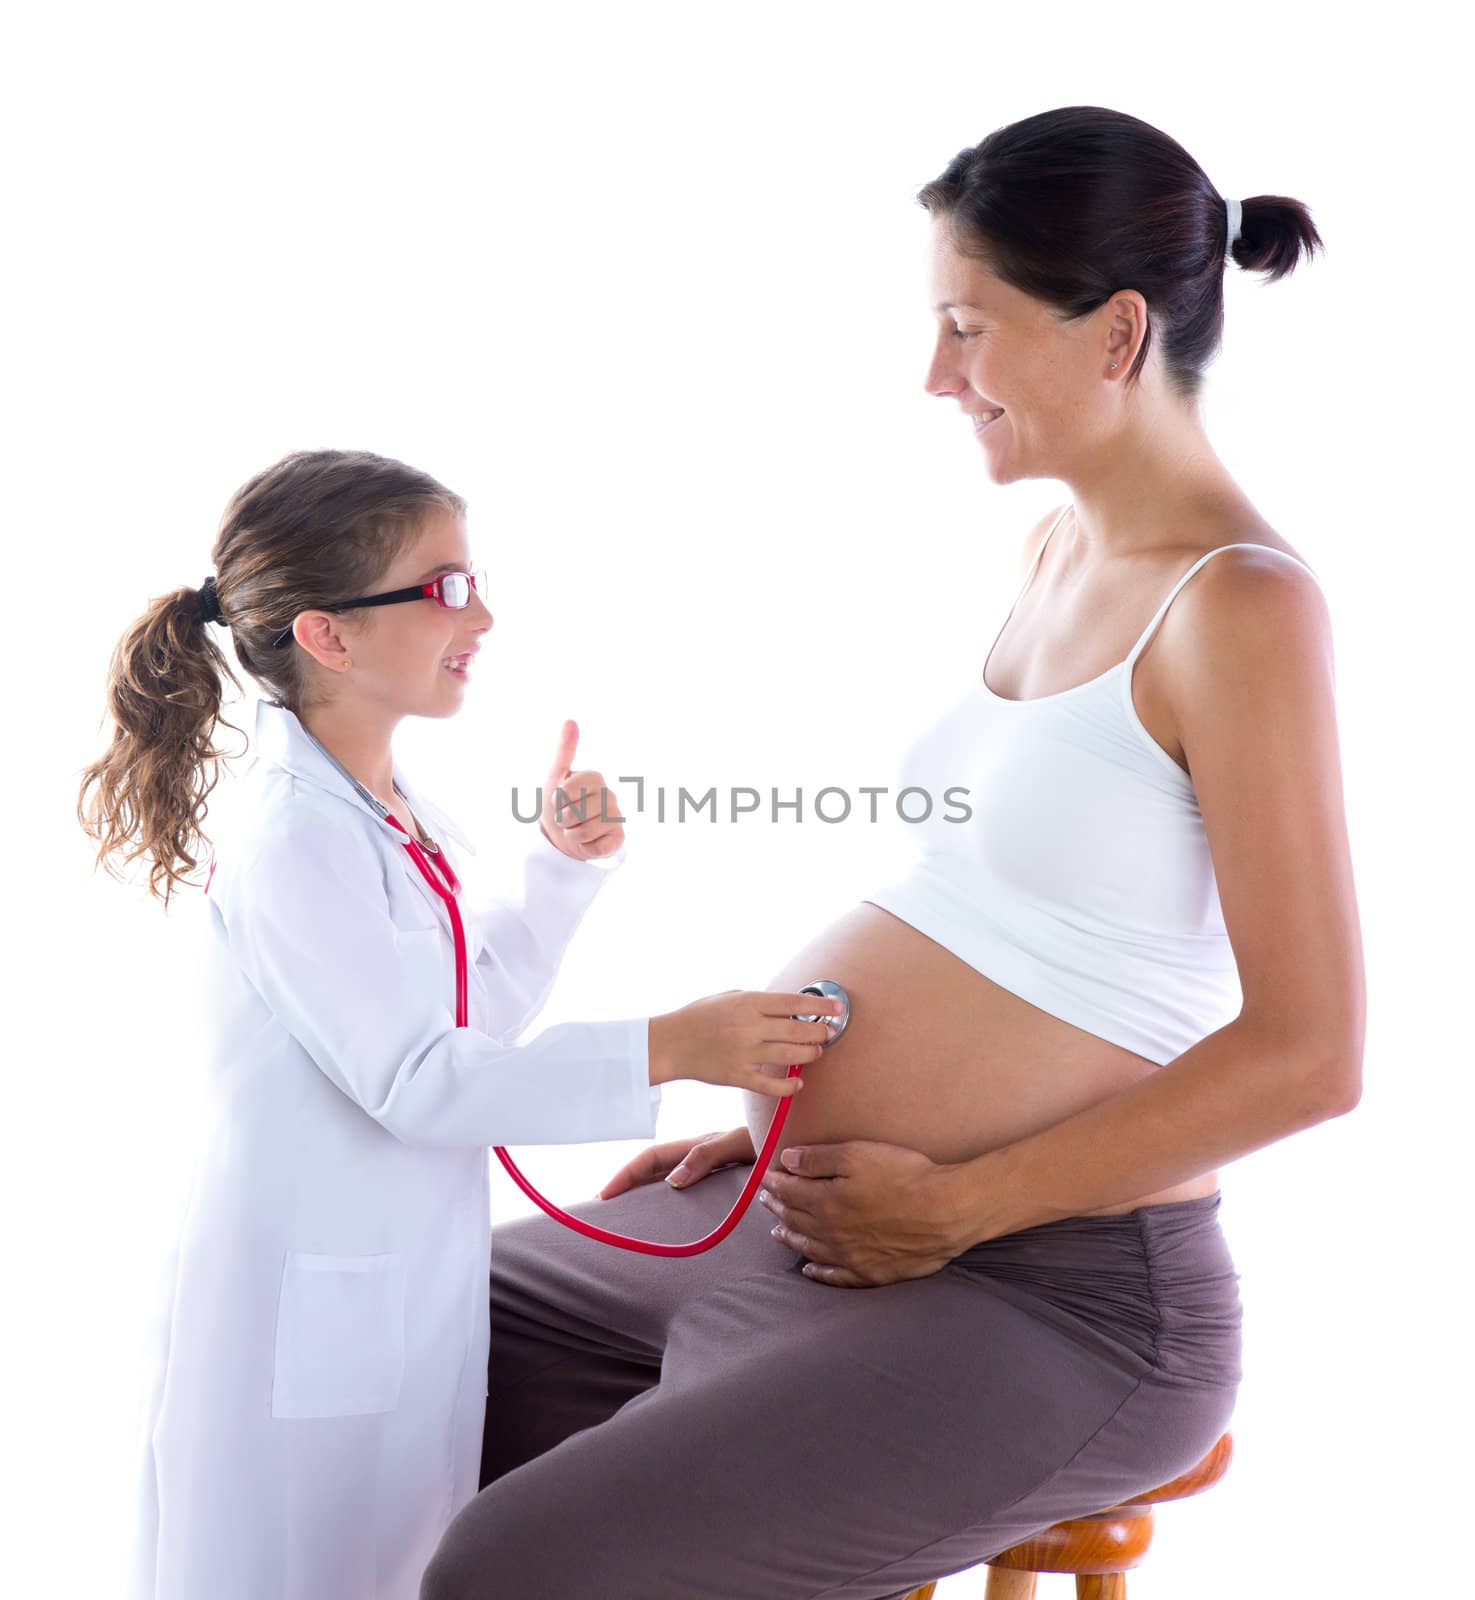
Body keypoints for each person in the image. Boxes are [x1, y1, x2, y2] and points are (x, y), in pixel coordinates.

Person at [418, 106, 1365, 1599]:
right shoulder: (1053, 552)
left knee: (509, 1565)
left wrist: (966, 1201)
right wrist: (778, 1127)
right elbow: (1010, 907)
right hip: (827, 1224)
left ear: (1114, 334)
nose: (936, 376)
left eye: (966, 328)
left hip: (1051, 1296)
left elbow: (1310, 1055)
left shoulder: (1240, 606)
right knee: (376, 1347)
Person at [78, 448, 844, 1600]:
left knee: (392, 1561)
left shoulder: (388, 815)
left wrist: (556, 873)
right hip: (305, 1302)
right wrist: (674, 1045)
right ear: (327, 635)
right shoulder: (295, 840)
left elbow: (461, 1021)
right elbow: (422, 1081)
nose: (480, 612)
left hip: (383, 1288)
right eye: (443, 587)